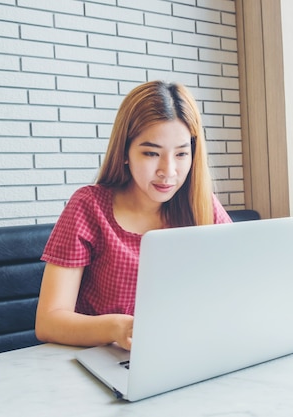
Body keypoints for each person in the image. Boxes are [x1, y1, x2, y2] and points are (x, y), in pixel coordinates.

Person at [35, 80, 233, 350]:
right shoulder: (89, 206)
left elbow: (235, 288)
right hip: (105, 357)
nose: (168, 170)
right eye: (151, 153)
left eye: (181, 154)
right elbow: (49, 322)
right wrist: (119, 328)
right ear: (125, 152)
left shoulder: (202, 204)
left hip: (185, 350)